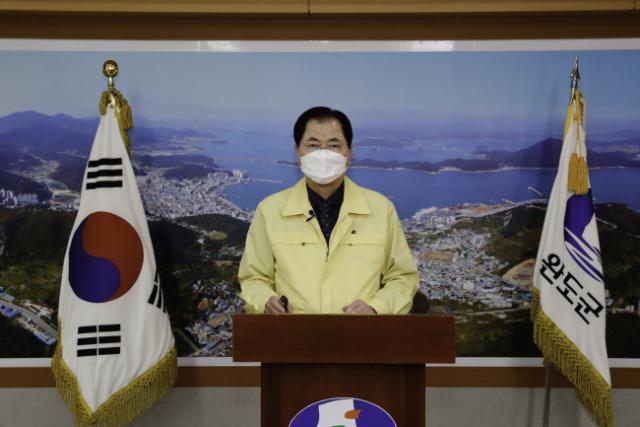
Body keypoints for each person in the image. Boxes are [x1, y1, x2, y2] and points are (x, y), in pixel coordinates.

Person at [238, 106, 418, 314]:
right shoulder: (270, 210)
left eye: (334, 145)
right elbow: (253, 277)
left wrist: (376, 307)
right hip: (293, 331)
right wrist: (265, 300)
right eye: (313, 145)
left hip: (360, 332)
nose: (323, 154)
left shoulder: (381, 209)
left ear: (349, 152)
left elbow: (403, 277)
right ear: (297, 152)